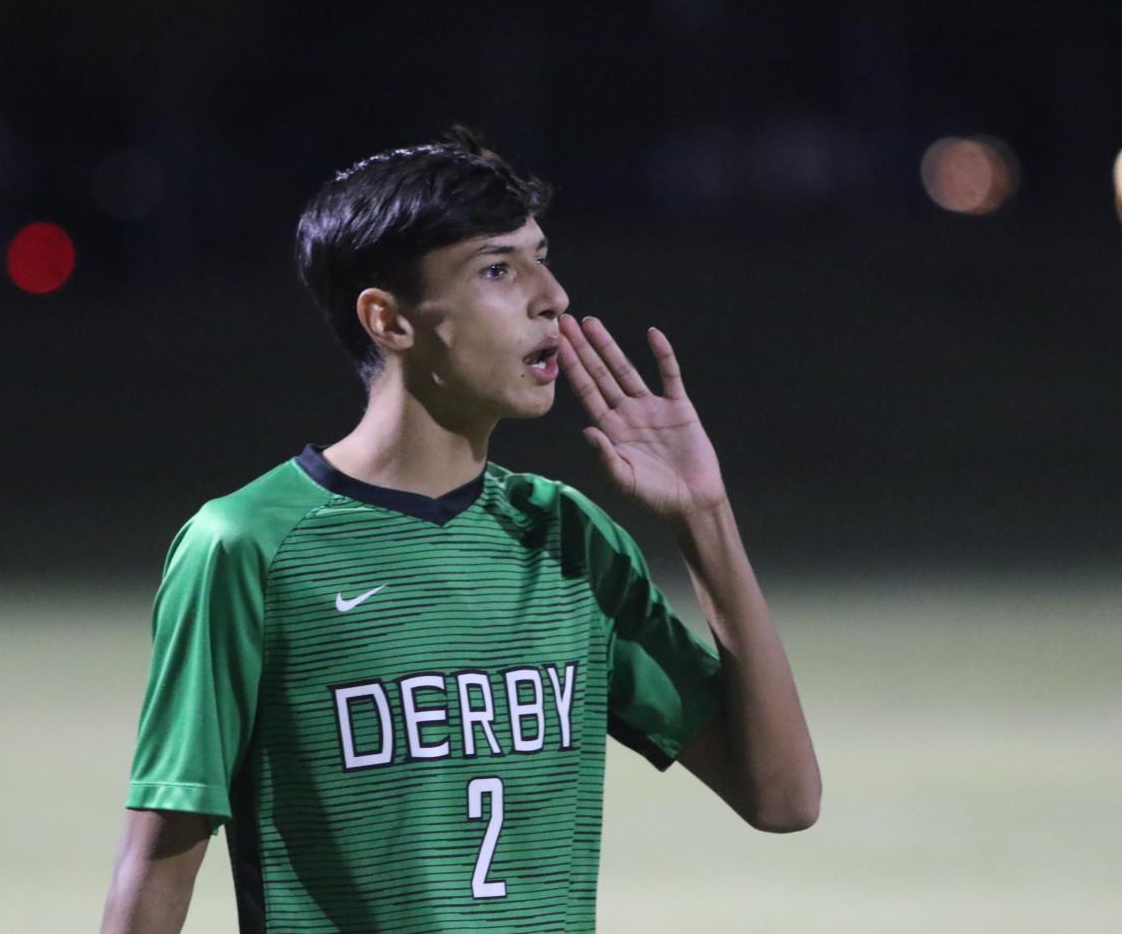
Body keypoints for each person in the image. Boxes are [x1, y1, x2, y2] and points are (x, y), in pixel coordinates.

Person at [98, 126, 820, 934]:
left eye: (540, 255)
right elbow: (157, 858)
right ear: (389, 320)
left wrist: (704, 517)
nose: (550, 295)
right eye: (496, 268)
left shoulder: (566, 538)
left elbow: (783, 798)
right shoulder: (247, 546)